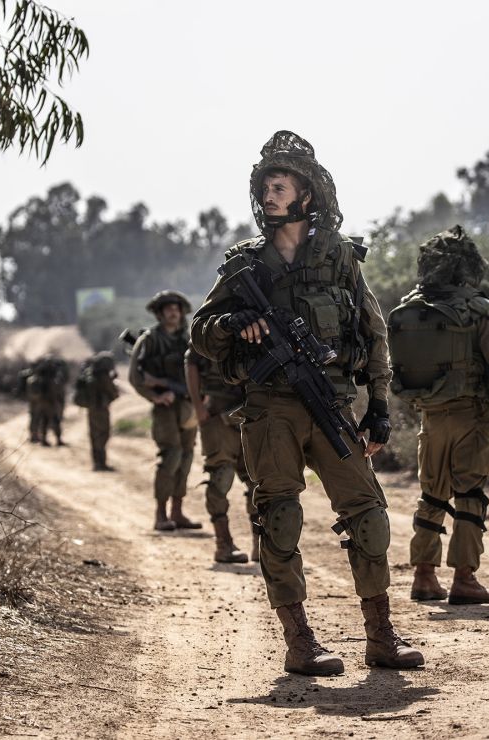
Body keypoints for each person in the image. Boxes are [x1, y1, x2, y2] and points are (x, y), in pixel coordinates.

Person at [191, 130, 424, 675]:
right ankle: (300, 642)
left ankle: (381, 636)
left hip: (332, 402)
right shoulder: (244, 266)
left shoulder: (339, 258)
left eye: (280, 186)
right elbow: (201, 333)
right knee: (281, 518)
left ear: (307, 195)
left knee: (368, 516)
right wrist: (231, 322)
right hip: (270, 408)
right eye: (265, 187)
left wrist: (380, 406)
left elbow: (374, 332)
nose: (269, 197)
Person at [390, 226, 489, 605]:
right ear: (468, 266)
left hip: (430, 418)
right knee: (469, 495)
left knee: (432, 494)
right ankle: (465, 579)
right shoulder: (476, 309)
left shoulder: (411, 307)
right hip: (472, 416)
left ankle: (424, 577)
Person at [129, 291, 201, 532]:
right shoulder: (149, 340)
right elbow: (136, 377)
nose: (173, 312)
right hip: (166, 409)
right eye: (168, 308)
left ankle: (177, 512)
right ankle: (160, 514)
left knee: (187, 457)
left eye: (176, 308)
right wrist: (156, 396)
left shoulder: (190, 339)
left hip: (187, 406)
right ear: (159, 314)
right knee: (171, 456)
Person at [185, 347, 256, 563]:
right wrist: (197, 406)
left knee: (258, 480)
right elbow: (192, 361)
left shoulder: (260, 319)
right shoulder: (214, 319)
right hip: (217, 413)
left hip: (250, 412)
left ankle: (261, 543)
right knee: (221, 477)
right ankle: (223, 544)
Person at [78, 351, 119, 471]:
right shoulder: (104, 377)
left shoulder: (90, 374)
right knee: (103, 435)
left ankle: (97, 463)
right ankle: (101, 463)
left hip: (92, 409)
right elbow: (114, 393)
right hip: (101, 409)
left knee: (94, 435)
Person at [27, 353, 68, 446]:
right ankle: (57, 439)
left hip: (41, 403)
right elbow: (58, 391)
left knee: (44, 421)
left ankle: (43, 439)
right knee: (55, 421)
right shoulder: (53, 379)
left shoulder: (37, 377)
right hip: (50, 403)